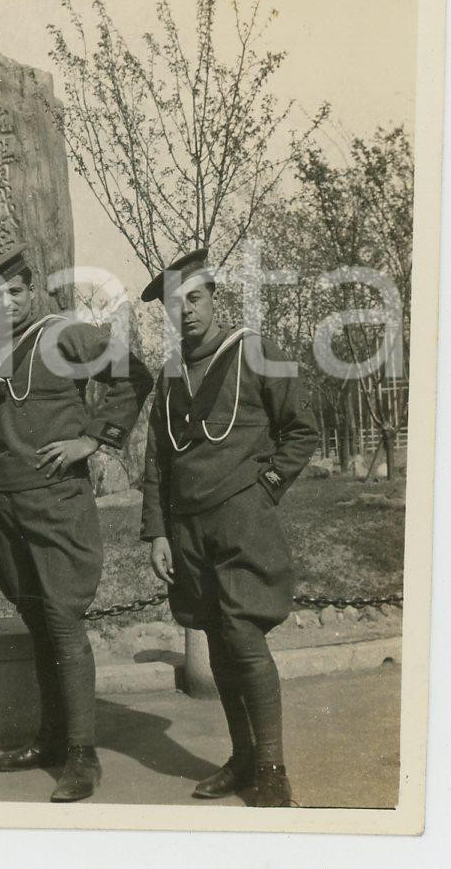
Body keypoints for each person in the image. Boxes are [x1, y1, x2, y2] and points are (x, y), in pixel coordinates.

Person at [0, 244, 152, 802]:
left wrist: (92, 439)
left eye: (15, 292)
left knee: (64, 621)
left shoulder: (64, 336)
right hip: (8, 504)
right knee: (36, 620)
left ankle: (82, 755)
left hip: (58, 501)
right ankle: (49, 738)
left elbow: (133, 374)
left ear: (33, 289)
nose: (8, 304)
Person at [140, 248, 318, 808]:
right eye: (175, 304)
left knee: (243, 639)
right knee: (215, 642)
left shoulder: (255, 351)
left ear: (214, 296)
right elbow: (156, 463)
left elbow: (302, 430)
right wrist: (157, 532)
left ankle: (272, 767)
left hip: (242, 521)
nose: (186, 311)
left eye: (195, 298)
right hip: (188, 529)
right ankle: (242, 759)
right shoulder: (170, 376)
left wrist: (265, 487)